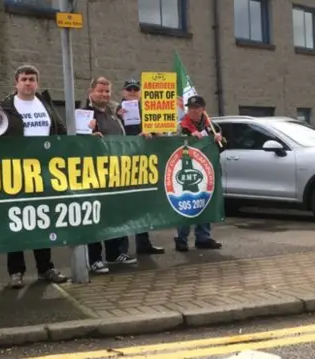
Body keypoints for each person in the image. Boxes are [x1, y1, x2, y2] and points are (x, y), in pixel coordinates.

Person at [0, 64, 69, 289]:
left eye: (32, 79)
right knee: (17, 220)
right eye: (24, 79)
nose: (28, 83)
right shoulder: (6, 107)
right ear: (16, 82)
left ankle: (45, 267)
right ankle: (16, 271)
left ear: (37, 83)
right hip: (17, 172)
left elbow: (61, 130)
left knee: (43, 219)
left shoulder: (45, 104)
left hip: (45, 171)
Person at [83, 77, 137, 274]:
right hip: (94, 175)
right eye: (100, 91)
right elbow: (75, 140)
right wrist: (88, 137)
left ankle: (115, 253)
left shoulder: (114, 115)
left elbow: (122, 141)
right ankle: (94, 258)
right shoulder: (84, 114)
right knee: (96, 217)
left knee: (115, 214)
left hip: (116, 174)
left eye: (107, 91)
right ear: (91, 91)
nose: (104, 95)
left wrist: (139, 140)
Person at [115, 78, 165, 255]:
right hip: (123, 166)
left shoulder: (148, 111)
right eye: (129, 89)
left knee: (143, 206)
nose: (133, 92)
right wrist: (137, 135)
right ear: (123, 92)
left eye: (136, 89)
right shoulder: (116, 111)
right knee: (123, 208)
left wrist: (157, 132)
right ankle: (121, 250)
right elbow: (115, 137)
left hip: (144, 165)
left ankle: (144, 244)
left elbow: (157, 135)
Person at [174, 95, 224, 252]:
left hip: (206, 171)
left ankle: (203, 237)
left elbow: (222, 147)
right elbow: (174, 146)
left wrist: (218, 140)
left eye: (196, 108)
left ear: (203, 109)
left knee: (205, 202)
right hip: (187, 170)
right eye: (190, 108)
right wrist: (189, 138)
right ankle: (181, 239)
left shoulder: (212, 126)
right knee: (186, 204)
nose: (193, 111)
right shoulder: (182, 126)